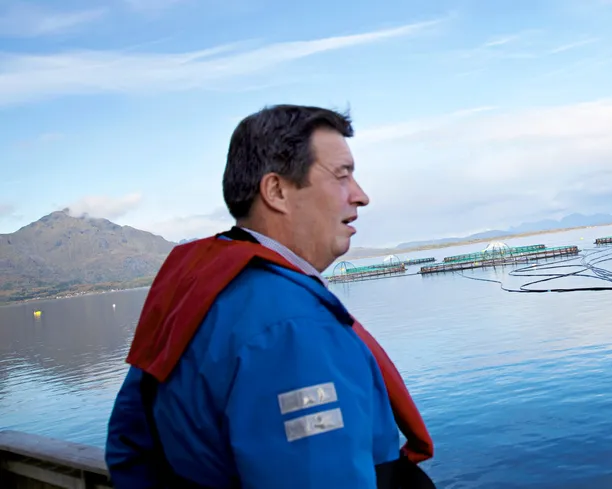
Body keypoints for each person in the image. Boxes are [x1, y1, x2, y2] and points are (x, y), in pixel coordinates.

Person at [104, 104, 435, 488]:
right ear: (276, 191)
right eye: (342, 175)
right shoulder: (291, 328)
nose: (361, 196)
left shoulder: (194, 296)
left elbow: (129, 446)